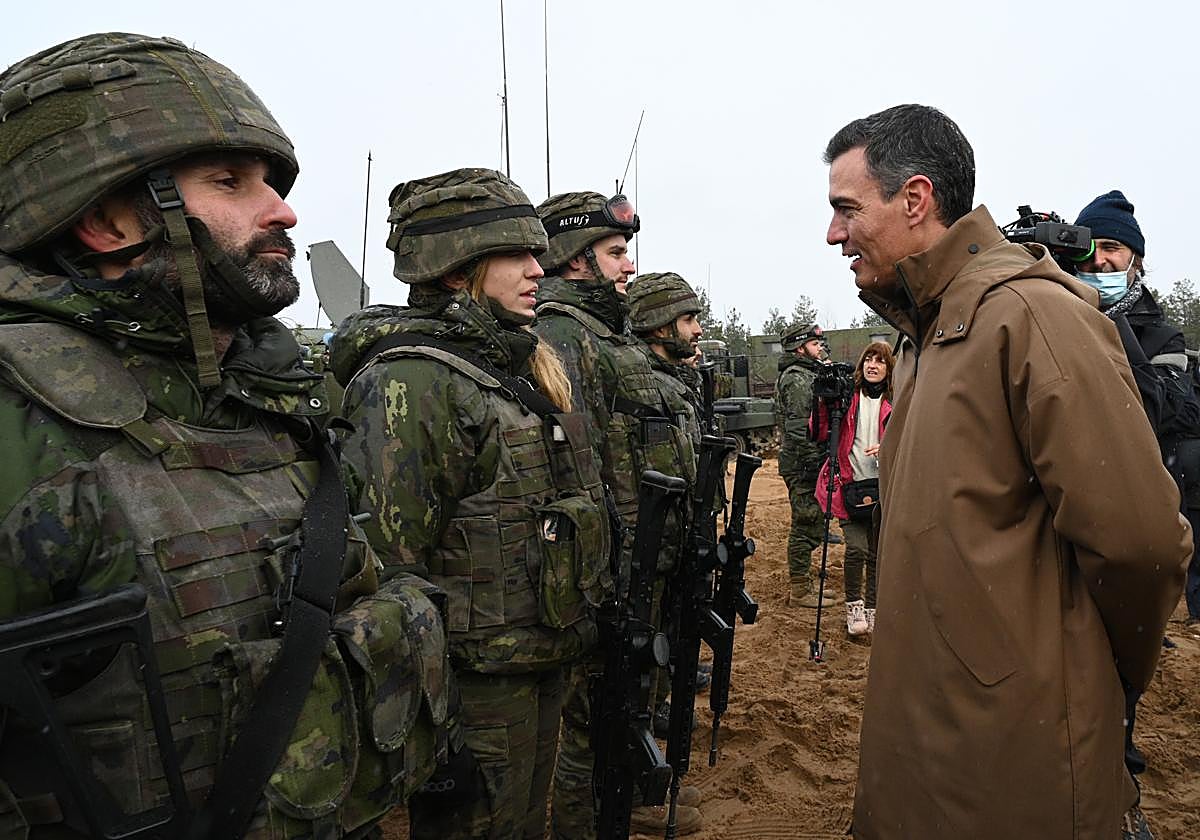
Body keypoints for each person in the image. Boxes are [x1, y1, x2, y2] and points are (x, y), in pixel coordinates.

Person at [0, 32, 453, 840]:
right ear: (107, 219)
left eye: (270, 181)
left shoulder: (270, 398)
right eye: (229, 181)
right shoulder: (24, 422)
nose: (282, 209)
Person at [823, 103, 1189, 839]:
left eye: (846, 209)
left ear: (916, 199)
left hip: (1021, 768)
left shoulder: (1033, 319)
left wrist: (1084, 684)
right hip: (933, 751)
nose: (834, 234)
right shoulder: (926, 338)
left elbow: (1141, 545)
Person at [331, 168, 610, 840]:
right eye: (515, 255)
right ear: (458, 270)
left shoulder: (516, 363)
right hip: (473, 684)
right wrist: (431, 717)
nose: (536, 270)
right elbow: (388, 570)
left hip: (536, 656)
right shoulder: (414, 380)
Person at [532, 194, 703, 837]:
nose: (628, 266)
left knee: (615, 708)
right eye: (615, 252)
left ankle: (618, 807)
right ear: (576, 262)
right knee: (591, 722)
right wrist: (607, 564)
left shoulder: (597, 333)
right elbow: (577, 463)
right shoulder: (563, 333)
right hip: (600, 564)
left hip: (626, 553)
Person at [1072, 189, 1200, 838]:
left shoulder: (1162, 335)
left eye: (1112, 249)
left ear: (1138, 260)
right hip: (1071, 526)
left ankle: (1119, 790)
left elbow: (1165, 421)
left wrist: (1109, 327)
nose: (1098, 261)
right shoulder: (1058, 315)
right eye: (1087, 249)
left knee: (1122, 669)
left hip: (1133, 532)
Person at [810, 341, 894, 637]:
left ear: (889, 368)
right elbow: (818, 433)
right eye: (868, 359)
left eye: (880, 361)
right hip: (847, 484)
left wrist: (888, 448)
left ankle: (872, 608)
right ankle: (854, 605)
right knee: (857, 548)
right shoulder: (848, 398)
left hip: (884, 487)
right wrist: (821, 401)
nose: (873, 365)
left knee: (875, 553)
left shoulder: (897, 401)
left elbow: (912, 437)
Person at [775, 324, 841, 607]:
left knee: (812, 520)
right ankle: (800, 589)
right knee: (805, 523)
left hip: (808, 462)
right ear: (800, 348)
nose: (820, 348)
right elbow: (800, 429)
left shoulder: (807, 374)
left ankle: (805, 583)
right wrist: (818, 464)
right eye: (814, 345)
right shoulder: (798, 379)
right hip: (804, 465)